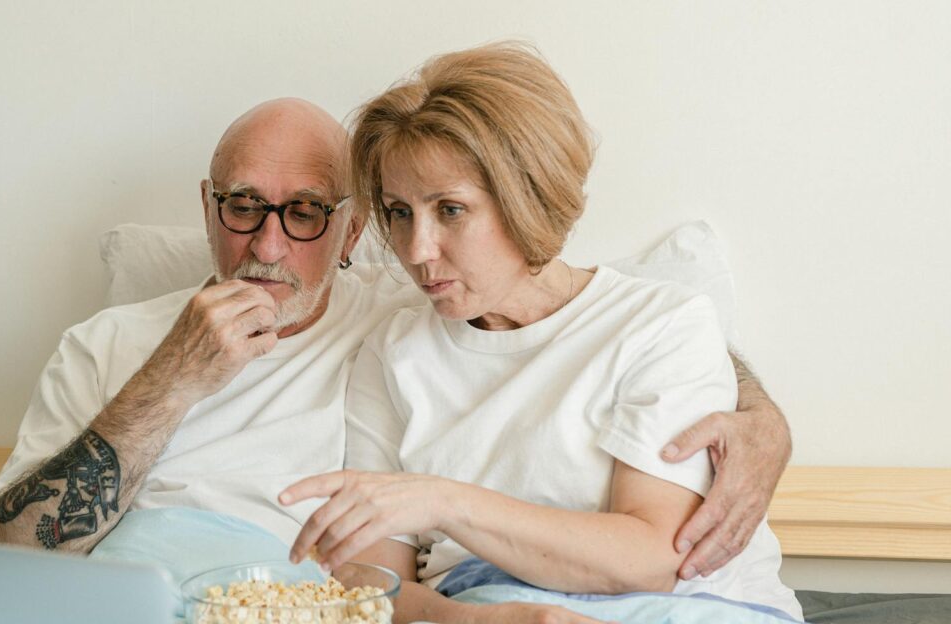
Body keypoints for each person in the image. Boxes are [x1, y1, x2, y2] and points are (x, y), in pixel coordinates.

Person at [0, 96, 789, 593]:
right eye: (243, 205)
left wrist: (756, 411)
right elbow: (3, 555)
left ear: (354, 227)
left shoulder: (408, 307)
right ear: (207, 205)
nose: (266, 245)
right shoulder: (107, 343)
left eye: (305, 214)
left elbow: (575, 307)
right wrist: (171, 383)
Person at [280, 43, 803, 622]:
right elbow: (370, 580)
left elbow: (656, 555)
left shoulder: (661, 323)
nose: (417, 250)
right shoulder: (393, 352)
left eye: (450, 209)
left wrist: (444, 500)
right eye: (400, 212)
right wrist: (479, 621)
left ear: (527, 197)